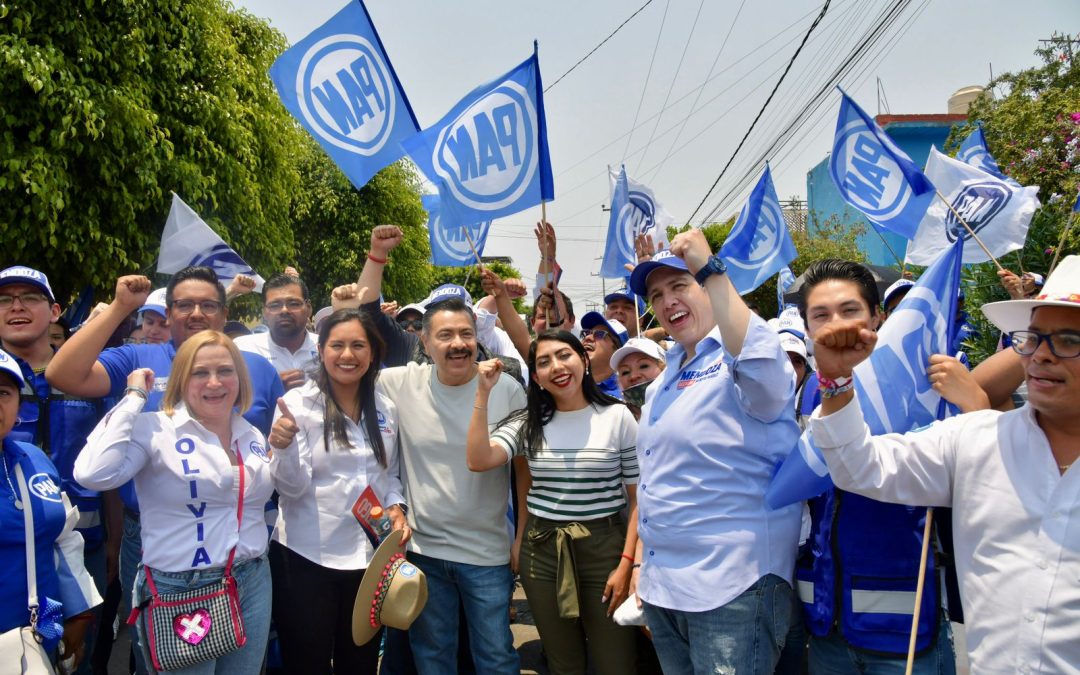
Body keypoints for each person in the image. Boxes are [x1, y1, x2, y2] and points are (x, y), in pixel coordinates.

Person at [807, 254, 1080, 673]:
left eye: (1068, 341)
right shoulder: (978, 439)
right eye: (1031, 338)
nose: (1040, 356)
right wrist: (837, 382)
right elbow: (858, 468)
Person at [46, 267, 283, 674]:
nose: (196, 313)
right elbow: (61, 375)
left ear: (225, 313)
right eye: (184, 305)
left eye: (208, 305)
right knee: (159, 661)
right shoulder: (140, 358)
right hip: (159, 546)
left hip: (246, 560)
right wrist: (121, 309)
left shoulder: (255, 370)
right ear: (167, 313)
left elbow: (274, 452)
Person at [333, 225, 528, 674]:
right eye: (444, 335)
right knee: (432, 657)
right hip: (423, 553)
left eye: (464, 333)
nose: (456, 344)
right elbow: (348, 361)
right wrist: (373, 262)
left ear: (477, 337)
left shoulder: (506, 388)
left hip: (488, 556)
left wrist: (519, 538)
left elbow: (522, 472)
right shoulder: (399, 383)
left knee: (496, 657)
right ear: (423, 341)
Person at [627, 231, 802, 673]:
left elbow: (765, 371)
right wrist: (643, 567)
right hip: (666, 587)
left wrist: (709, 267)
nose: (668, 302)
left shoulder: (740, 355)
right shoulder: (667, 373)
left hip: (732, 588)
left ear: (707, 287)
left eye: (680, 286)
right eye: (656, 294)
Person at [794, 259, 979, 673]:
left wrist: (974, 404)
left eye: (849, 310)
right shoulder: (807, 391)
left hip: (907, 630)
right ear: (806, 327)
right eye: (820, 315)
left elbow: (976, 476)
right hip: (824, 625)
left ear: (877, 316)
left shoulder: (926, 380)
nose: (835, 324)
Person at [467, 332, 640, 674]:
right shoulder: (529, 421)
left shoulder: (618, 417)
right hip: (542, 551)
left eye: (565, 355)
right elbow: (479, 459)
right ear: (536, 377)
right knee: (563, 662)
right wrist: (482, 392)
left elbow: (638, 500)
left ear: (584, 360)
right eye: (544, 362)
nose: (557, 367)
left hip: (605, 549)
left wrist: (627, 563)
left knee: (616, 660)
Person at [265, 308, 410, 674]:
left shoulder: (386, 408)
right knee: (307, 662)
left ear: (373, 352)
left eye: (359, 345)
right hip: (306, 557)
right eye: (338, 345)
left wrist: (396, 507)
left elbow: (388, 475)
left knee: (359, 661)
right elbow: (291, 489)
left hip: (369, 557)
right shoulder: (297, 405)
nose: (348, 355)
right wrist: (282, 447)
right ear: (322, 350)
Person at [0, 265, 112, 671]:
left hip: (86, 543)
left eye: (29, 298)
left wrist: (116, 544)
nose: (16, 307)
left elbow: (112, 461)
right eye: (4, 299)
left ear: (54, 311)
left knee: (73, 653)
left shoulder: (91, 374)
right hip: (13, 557)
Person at [234, 273, 319, 392]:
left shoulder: (327, 346)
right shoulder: (243, 349)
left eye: (293, 304)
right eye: (275, 305)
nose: (284, 310)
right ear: (264, 312)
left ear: (308, 308)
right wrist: (272, 387)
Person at [577, 312, 627, 399]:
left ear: (617, 350)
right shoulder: (567, 386)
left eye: (599, 334)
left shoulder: (627, 394)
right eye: (586, 333)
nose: (588, 338)